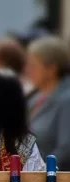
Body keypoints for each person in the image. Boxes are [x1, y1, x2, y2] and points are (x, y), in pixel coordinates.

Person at [26, 36, 70, 169]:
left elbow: (66, 149)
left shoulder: (66, 100)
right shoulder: (33, 98)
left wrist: (42, 170)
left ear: (52, 69)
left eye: (33, 65)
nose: (28, 70)